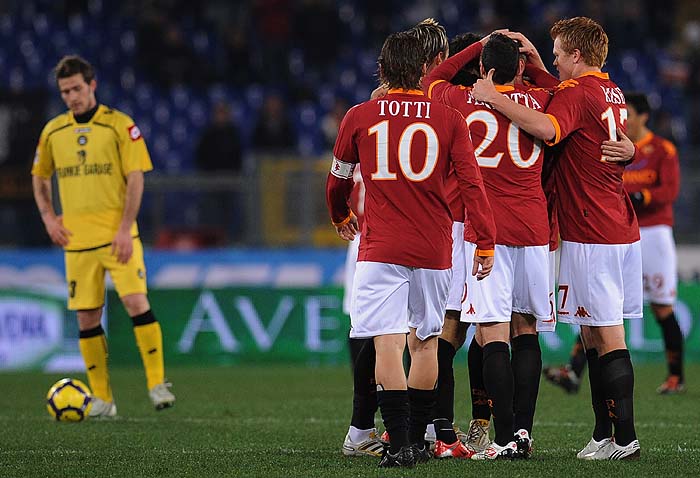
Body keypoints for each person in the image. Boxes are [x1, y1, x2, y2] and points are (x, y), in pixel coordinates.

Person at [472, 18, 641, 460]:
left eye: (559, 54)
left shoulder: (575, 93)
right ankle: (605, 434)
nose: (553, 61)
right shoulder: (611, 91)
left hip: (591, 228)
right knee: (590, 334)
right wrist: (634, 149)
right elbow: (567, 102)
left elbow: (549, 127)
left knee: (606, 336)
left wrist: (494, 98)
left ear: (578, 56)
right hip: (617, 223)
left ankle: (625, 439)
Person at [326, 31, 496, 468]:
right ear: (424, 70)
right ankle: (420, 441)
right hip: (434, 247)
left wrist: (340, 214)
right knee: (426, 344)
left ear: (381, 70)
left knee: (386, 345)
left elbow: (338, 181)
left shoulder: (359, 116)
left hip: (380, 246)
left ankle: (399, 444)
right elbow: (473, 184)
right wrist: (484, 240)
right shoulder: (448, 118)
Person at [425, 32, 553, 460]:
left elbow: (434, 78)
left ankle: (501, 437)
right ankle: (523, 434)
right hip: (534, 228)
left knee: (490, 329)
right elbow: (566, 94)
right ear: (518, 68)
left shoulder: (460, 101)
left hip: (484, 231)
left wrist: (478, 46)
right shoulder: (537, 101)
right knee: (527, 329)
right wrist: (532, 64)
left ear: (482, 68)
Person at [31, 55, 175, 417]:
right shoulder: (53, 132)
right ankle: (102, 400)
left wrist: (126, 228)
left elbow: (136, 178)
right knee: (86, 318)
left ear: (92, 85)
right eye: (65, 91)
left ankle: (157, 385)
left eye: (77, 88)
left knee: (135, 303)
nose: (72, 96)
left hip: (118, 238)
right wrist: (49, 218)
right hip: (76, 242)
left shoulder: (119, 126)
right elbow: (39, 176)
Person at [543, 92, 684, 395]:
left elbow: (669, 190)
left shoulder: (662, 149)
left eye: (629, 115)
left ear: (643, 117)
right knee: (600, 310)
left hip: (653, 233)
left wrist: (642, 197)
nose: (624, 120)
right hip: (616, 230)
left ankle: (675, 376)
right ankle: (573, 371)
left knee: (661, 307)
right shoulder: (609, 143)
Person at [195, 102, 243, 173]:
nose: (221, 116)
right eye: (219, 113)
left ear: (228, 115)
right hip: (210, 176)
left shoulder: (234, 134)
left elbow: (238, 157)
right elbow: (201, 156)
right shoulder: (207, 134)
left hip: (231, 176)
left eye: (223, 113)